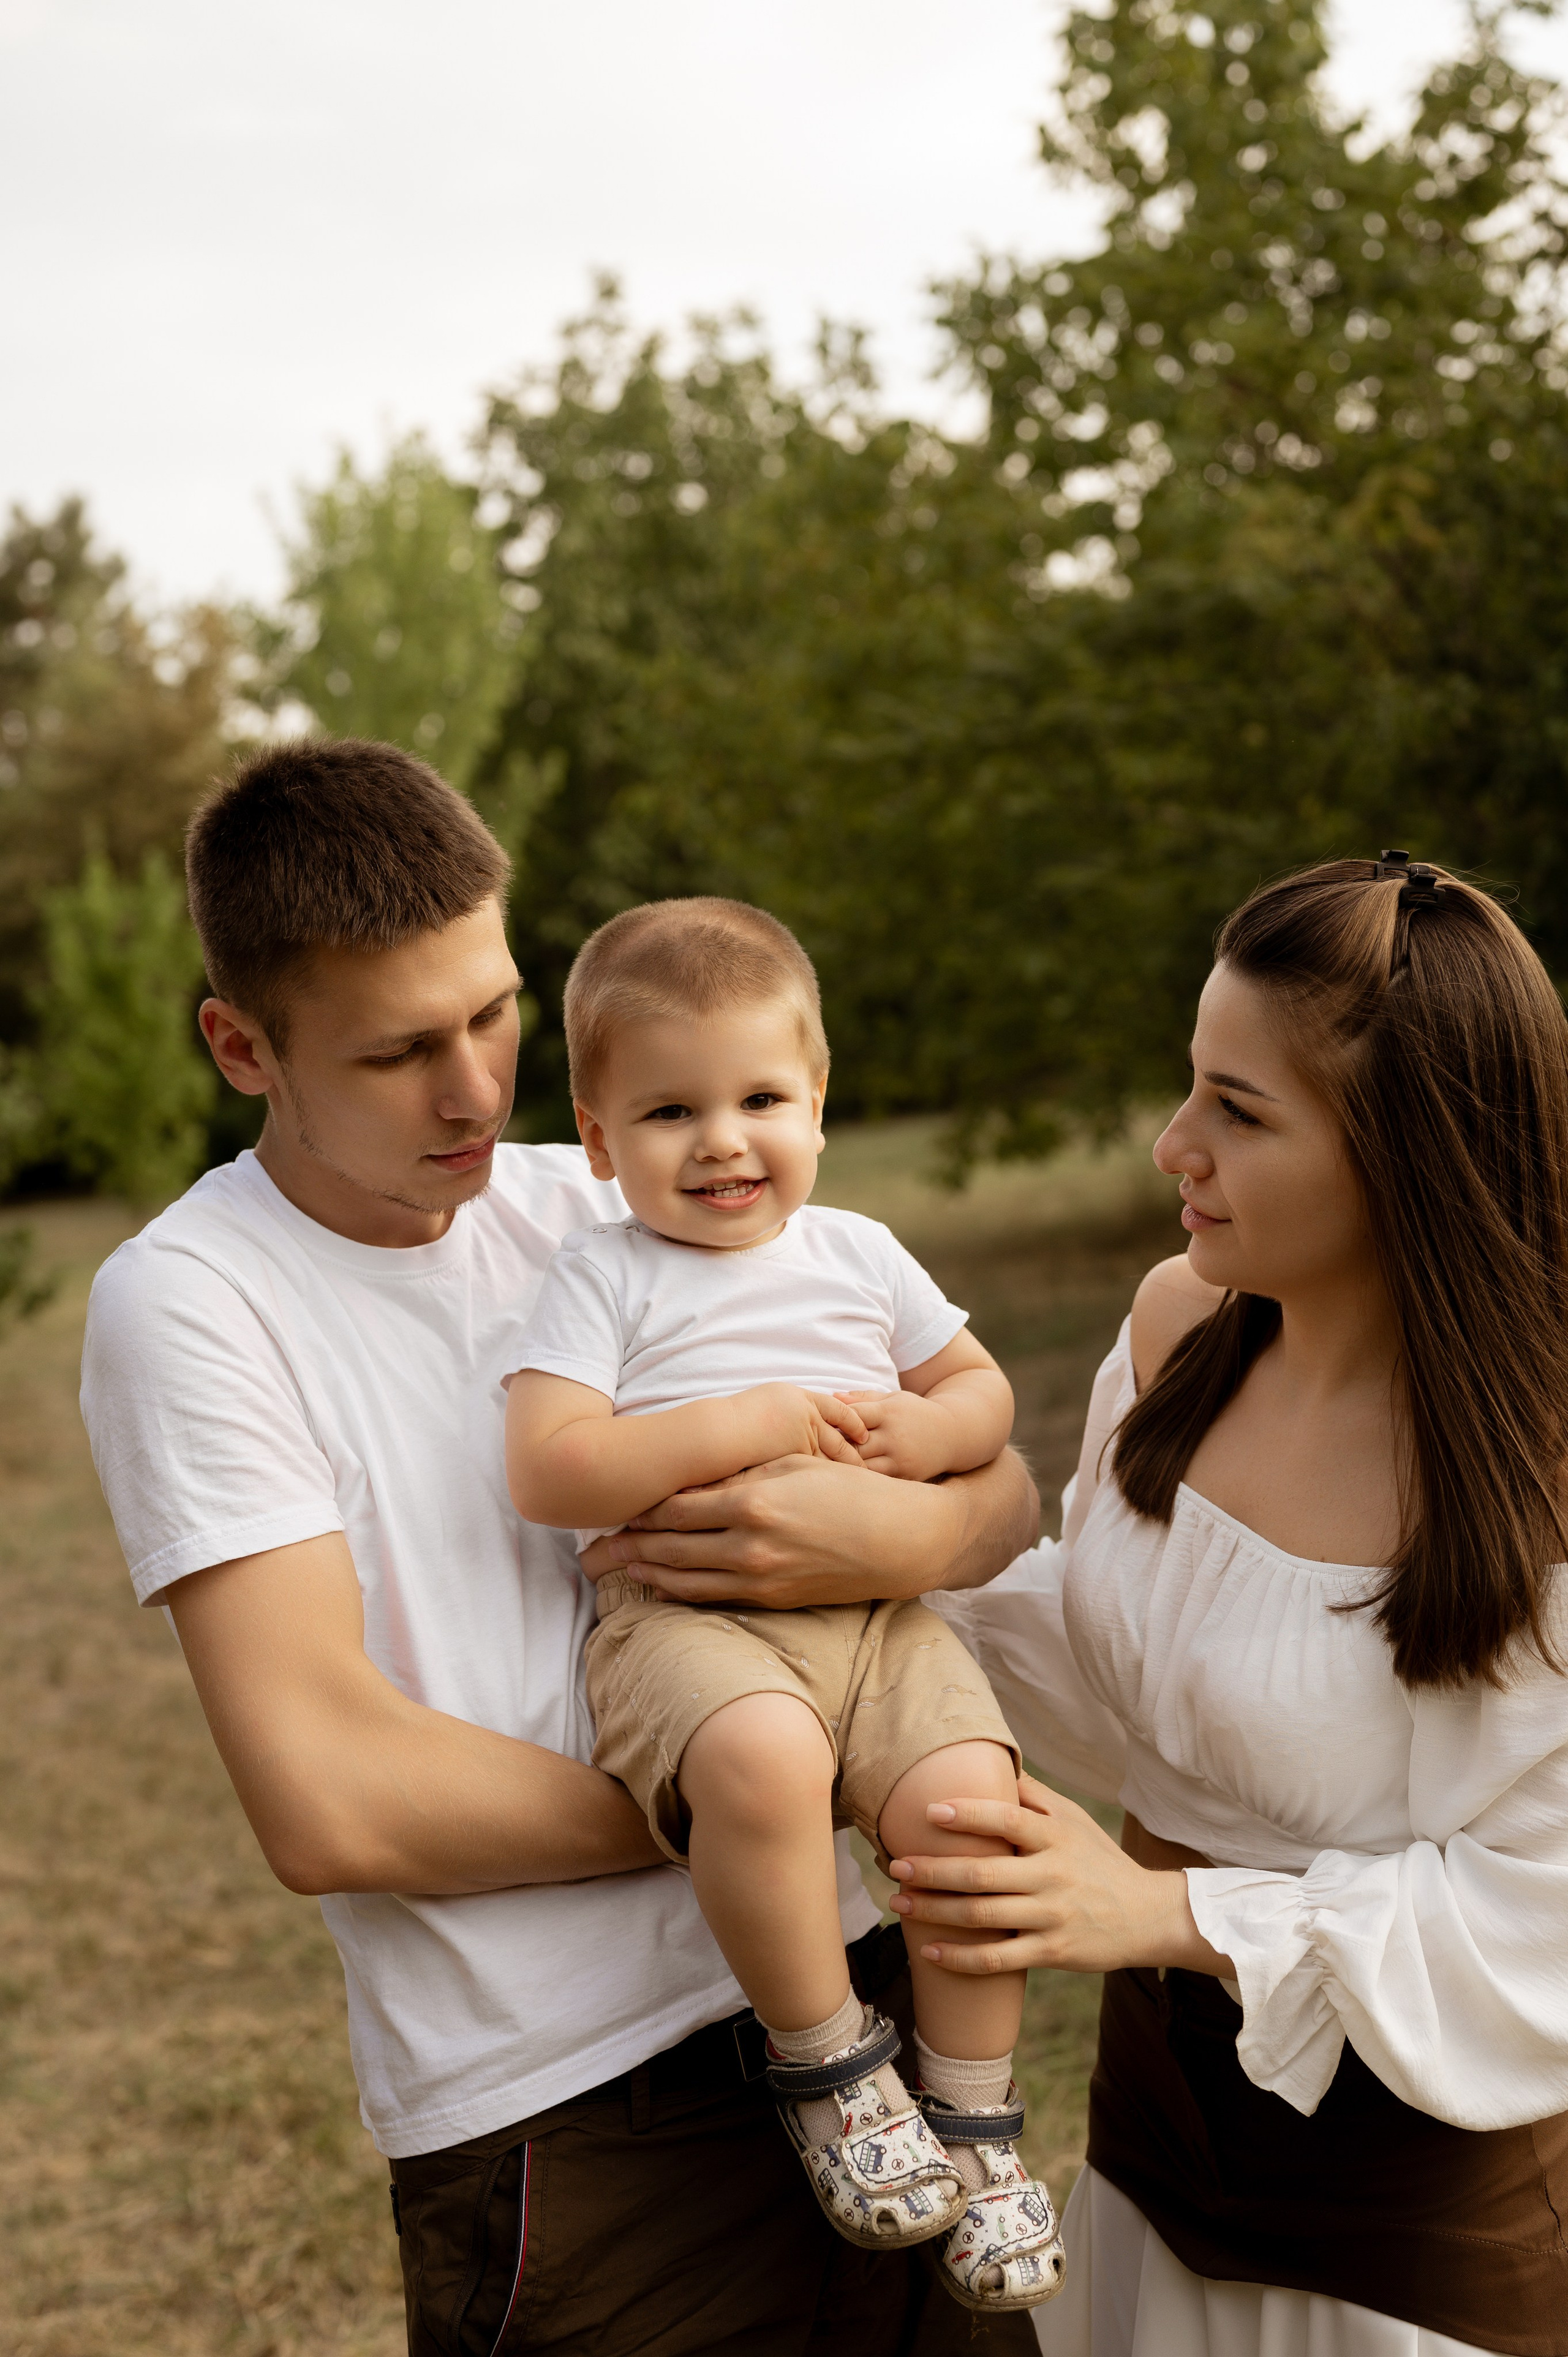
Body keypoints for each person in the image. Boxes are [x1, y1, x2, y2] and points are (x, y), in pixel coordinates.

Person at [78, 739, 1041, 2356]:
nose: (474, 1091)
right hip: (564, 2117)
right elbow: (330, 1795)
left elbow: (993, 1489)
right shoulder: (193, 1303)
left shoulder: (610, 1195)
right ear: (242, 1045)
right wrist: (763, 1791)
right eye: (396, 1053)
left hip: (851, 2008)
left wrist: (913, 1525)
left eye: (493, 1010)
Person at [891, 853, 1568, 2356]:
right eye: (1190, 1084)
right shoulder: (1177, 1331)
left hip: (1401, 2234)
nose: (1168, 1143)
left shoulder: (1541, 1473)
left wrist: (1165, 1909)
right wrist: (873, 1575)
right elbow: (1127, 1664)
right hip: (1148, 2144)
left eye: (1238, 1112)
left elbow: (1543, 1911)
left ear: (1410, 1154)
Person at [505, 897, 1065, 2316]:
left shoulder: (860, 1252)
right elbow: (548, 1464)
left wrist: (926, 1447)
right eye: (669, 1109)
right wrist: (736, 1421)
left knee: (969, 1808)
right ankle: (830, 2065)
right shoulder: (601, 1275)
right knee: (760, 1759)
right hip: (687, 1624)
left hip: (879, 1616)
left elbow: (979, 1396)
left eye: (761, 1097)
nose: (721, 1139)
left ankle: (977, 2121)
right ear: (596, 1138)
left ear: (818, 1105)